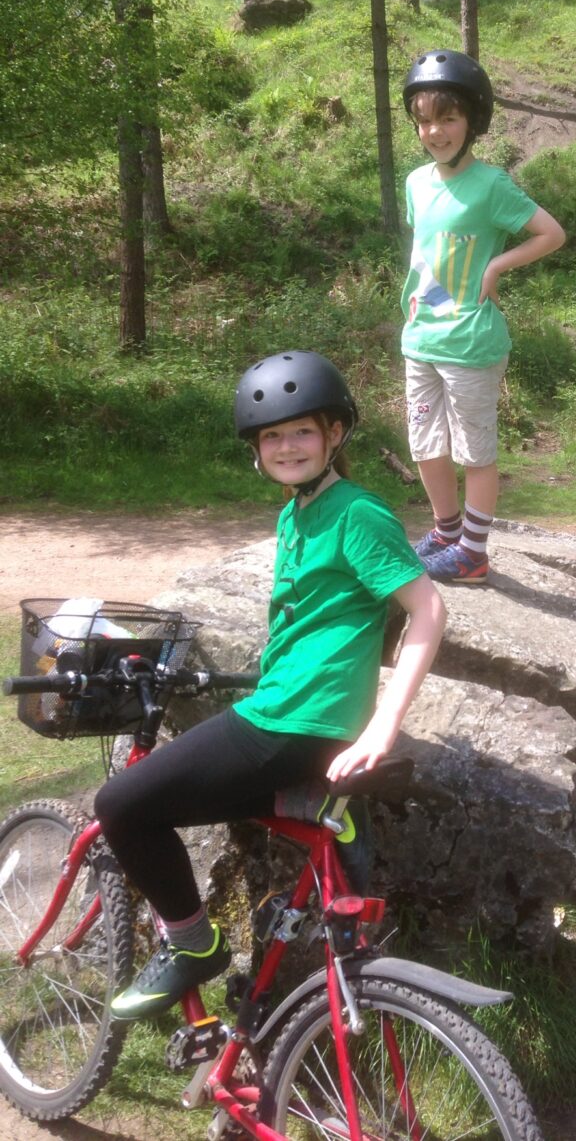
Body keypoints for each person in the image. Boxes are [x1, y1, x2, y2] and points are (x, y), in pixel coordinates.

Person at [95, 350, 446, 1021]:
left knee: (122, 804)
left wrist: (382, 726)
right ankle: (297, 803)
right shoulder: (296, 514)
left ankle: (194, 944)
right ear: (257, 449)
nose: (287, 446)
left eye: (302, 431)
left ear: (335, 433)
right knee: (199, 788)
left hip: (292, 722)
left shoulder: (355, 513)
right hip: (289, 713)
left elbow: (428, 610)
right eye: (271, 436)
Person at [400, 49, 565, 585]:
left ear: (472, 121)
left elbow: (551, 233)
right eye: (424, 119)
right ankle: (447, 531)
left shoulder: (491, 185)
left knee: (474, 451)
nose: (435, 130)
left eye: (447, 118)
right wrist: (417, 293)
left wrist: (496, 265)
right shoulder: (416, 183)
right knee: (425, 444)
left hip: (471, 342)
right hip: (421, 338)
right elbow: (429, 250)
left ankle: (472, 552)